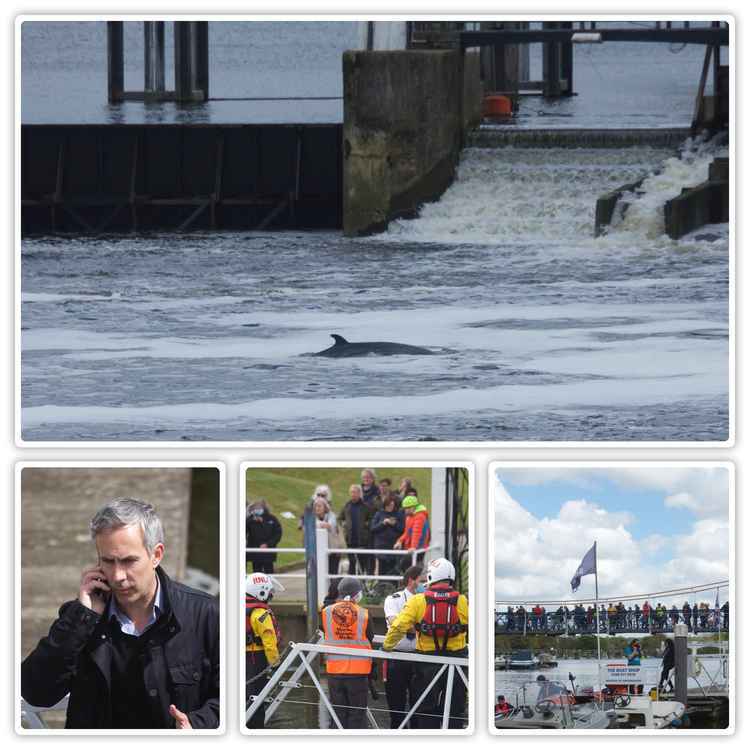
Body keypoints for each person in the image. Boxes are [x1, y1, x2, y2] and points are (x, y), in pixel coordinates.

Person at [21, 497, 220, 729]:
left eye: (128, 561)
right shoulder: (80, 618)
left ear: (156, 555)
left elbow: (236, 696)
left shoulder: (206, 614)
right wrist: (83, 618)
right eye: (107, 561)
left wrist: (197, 725)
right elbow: (36, 693)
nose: (117, 576)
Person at [383, 557, 468, 729]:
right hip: (457, 663)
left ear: (430, 577)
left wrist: (387, 646)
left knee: (425, 710)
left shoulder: (417, 601)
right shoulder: (463, 601)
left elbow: (398, 626)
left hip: (427, 663)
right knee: (454, 711)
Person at [320, 577, 374, 729]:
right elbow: (370, 636)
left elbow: (325, 631)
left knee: (337, 716)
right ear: (356, 594)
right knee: (357, 715)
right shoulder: (363, 614)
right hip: (358, 672)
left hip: (334, 671)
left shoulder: (326, 612)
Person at [382, 565, 423, 728]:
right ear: (412, 580)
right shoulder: (394, 599)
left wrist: (408, 625)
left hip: (418, 656)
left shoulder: (426, 600)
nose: (426, 581)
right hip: (396, 657)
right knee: (396, 706)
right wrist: (418, 628)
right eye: (423, 578)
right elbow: (394, 622)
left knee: (418, 706)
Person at [245, 572, 283, 728]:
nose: (270, 596)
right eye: (269, 593)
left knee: (245, 696)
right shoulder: (260, 614)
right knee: (257, 697)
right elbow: (269, 642)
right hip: (256, 659)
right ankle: (256, 728)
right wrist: (275, 664)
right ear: (261, 591)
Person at [340, 484, 374, 575]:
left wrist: (366, 527)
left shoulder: (366, 506)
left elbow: (372, 519)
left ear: (359, 493)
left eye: (355, 492)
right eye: (351, 492)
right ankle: (350, 584)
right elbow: (340, 518)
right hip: (350, 539)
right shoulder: (346, 506)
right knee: (352, 563)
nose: (353, 494)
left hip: (362, 540)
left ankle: (361, 584)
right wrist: (344, 526)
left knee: (361, 563)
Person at [370, 492, 404, 577]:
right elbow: (373, 528)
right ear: (385, 505)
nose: (390, 508)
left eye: (392, 505)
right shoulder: (379, 514)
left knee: (393, 570)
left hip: (393, 547)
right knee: (382, 570)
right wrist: (383, 523)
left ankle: (393, 587)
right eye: (389, 506)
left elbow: (402, 529)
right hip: (381, 547)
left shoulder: (398, 514)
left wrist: (394, 524)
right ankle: (382, 588)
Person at [393, 495, 430, 571]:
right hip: (412, 549)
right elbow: (407, 533)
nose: (405, 510)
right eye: (405, 508)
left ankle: (408, 581)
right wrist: (399, 541)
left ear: (413, 507)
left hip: (418, 549)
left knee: (404, 566)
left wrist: (413, 547)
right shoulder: (409, 517)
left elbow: (417, 533)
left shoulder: (419, 516)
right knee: (406, 568)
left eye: (407, 508)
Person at [245, 500, 282, 574]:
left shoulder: (272, 519)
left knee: (269, 573)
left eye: (258, 508)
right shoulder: (250, 519)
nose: (256, 510)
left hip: (268, 553)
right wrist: (251, 520)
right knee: (257, 573)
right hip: (255, 552)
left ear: (264, 508)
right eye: (255, 508)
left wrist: (268, 544)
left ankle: (269, 585)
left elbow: (278, 534)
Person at [313, 495, 343, 577]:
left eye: (319, 506)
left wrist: (320, 525)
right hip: (318, 551)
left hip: (333, 550)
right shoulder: (312, 518)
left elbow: (330, 525)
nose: (317, 508)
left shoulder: (332, 516)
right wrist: (321, 524)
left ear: (325, 507)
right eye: (315, 506)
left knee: (333, 573)